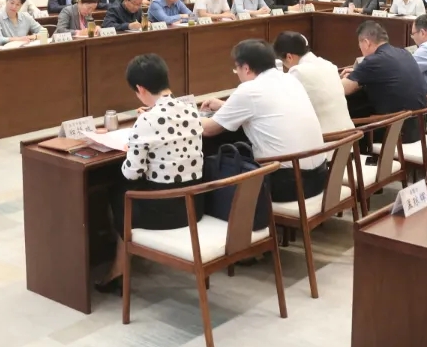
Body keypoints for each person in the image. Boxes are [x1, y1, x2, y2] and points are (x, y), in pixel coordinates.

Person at [94, 53, 204, 295]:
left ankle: (118, 268)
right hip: (195, 205)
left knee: (118, 192)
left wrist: (134, 144)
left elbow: (131, 173)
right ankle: (120, 268)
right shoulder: (191, 110)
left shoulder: (147, 121)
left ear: (141, 89)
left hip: (165, 211)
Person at [200, 40, 327, 202]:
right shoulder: (290, 79)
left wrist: (187, 115)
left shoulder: (249, 90)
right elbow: (266, 108)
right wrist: (225, 106)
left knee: (223, 162)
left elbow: (208, 129)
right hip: (320, 177)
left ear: (246, 68)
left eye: (236, 69)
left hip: (288, 185)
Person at [341, 20, 427, 141]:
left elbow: (341, 89)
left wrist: (342, 78)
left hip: (396, 132)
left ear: (366, 42)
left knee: (346, 123)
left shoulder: (373, 60)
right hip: (418, 127)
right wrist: (357, 73)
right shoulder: (404, 53)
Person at [273, 32, 354, 135]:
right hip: (349, 136)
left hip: (326, 140)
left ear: (289, 57)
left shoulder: (298, 71)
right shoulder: (329, 65)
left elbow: (282, 104)